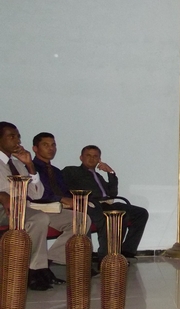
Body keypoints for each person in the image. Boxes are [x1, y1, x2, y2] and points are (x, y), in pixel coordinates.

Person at [0, 122, 69, 290]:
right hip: (4, 209)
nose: (17, 140)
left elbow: (36, 194)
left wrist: (30, 165)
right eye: (12, 136)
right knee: (39, 219)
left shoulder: (18, 164)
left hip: (27, 207)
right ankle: (34, 271)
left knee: (79, 219)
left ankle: (45, 263)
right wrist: (2, 196)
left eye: (18, 136)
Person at [32, 132, 101, 275]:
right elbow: (36, 194)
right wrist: (61, 199)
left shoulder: (56, 171)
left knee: (83, 216)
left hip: (58, 208)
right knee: (82, 217)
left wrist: (76, 200)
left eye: (53, 145)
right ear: (35, 148)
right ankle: (50, 264)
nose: (51, 148)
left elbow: (65, 191)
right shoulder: (30, 168)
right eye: (46, 145)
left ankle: (52, 259)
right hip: (40, 208)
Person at [62, 145, 148, 261]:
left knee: (141, 213)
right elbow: (63, 187)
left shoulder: (98, 176)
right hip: (92, 205)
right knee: (117, 216)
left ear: (99, 159)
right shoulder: (71, 171)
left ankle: (127, 251)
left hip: (107, 203)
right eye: (88, 155)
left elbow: (112, 193)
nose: (92, 158)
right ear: (81, 157)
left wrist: (110, 172)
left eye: (95, 156)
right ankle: (105, 257)